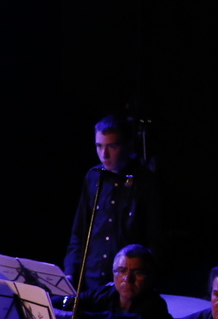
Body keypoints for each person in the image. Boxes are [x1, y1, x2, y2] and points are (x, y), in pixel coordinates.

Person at [64, 114, 163, 295]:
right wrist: (70, 273)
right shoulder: (93, 177)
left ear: (126, 145)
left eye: (112, 146)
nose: (104, 154)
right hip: (92, 280)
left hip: (127, 284)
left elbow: (155, 239)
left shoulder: (145, 181)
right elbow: (79, 233)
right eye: (99, 146)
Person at [74, 245, 172, 319]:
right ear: (113, 273)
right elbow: (72, 300)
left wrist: (78, 317)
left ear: (149, 276)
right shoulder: (106, 292)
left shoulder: (156, 305)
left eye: (137, 273)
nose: (128, 278)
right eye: (122, 271)